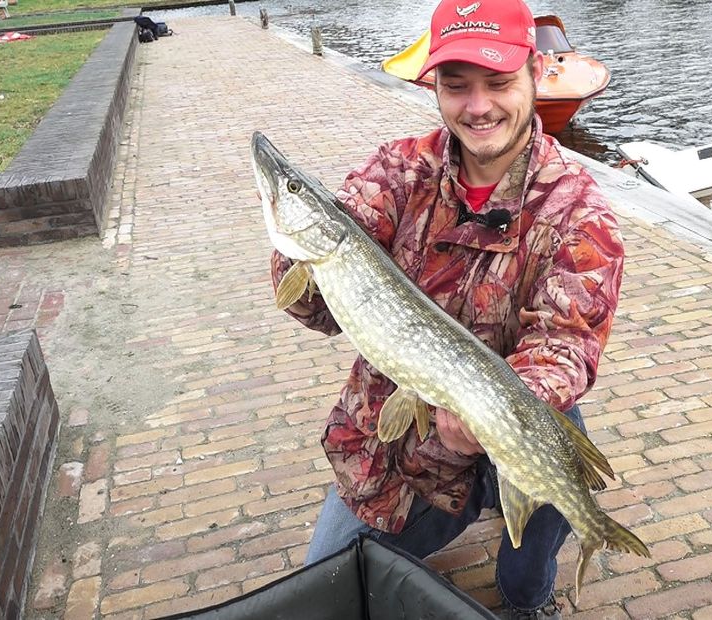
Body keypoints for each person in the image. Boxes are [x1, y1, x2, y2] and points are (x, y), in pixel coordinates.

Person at [270, 0, 625, 617]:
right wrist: (294, 258)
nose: (478, 105)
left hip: (513, 408)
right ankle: (464, 499)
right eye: (456, 86)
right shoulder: (398, 170)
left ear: (536, 73)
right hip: (406, 445)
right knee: (326, 592)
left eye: (498, 82)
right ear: (434, 85)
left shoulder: (579, 212)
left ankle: (527, 595)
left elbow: (566, 344)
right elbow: (322, 311)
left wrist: (498, 412)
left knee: (555, 438)